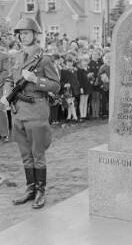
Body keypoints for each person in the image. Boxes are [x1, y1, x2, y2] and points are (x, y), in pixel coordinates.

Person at [0, 17, 60, 209]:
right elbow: (9, 79)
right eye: (20, 33)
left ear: (35, 34)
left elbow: (56, 86)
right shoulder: (16, 57)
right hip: (18, 112)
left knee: (38, 153)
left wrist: (35, 79)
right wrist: (5, 95)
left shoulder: (45, 59)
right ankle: (30, 189)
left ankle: (41, 191)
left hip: (36, 111)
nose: (22, 36)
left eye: (26, 33)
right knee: (25, 154)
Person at [0, 49, 10, 143]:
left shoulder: (4, 55)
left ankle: (4, 134)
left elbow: (5, 71)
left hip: (0, 86)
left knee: (1, 109)